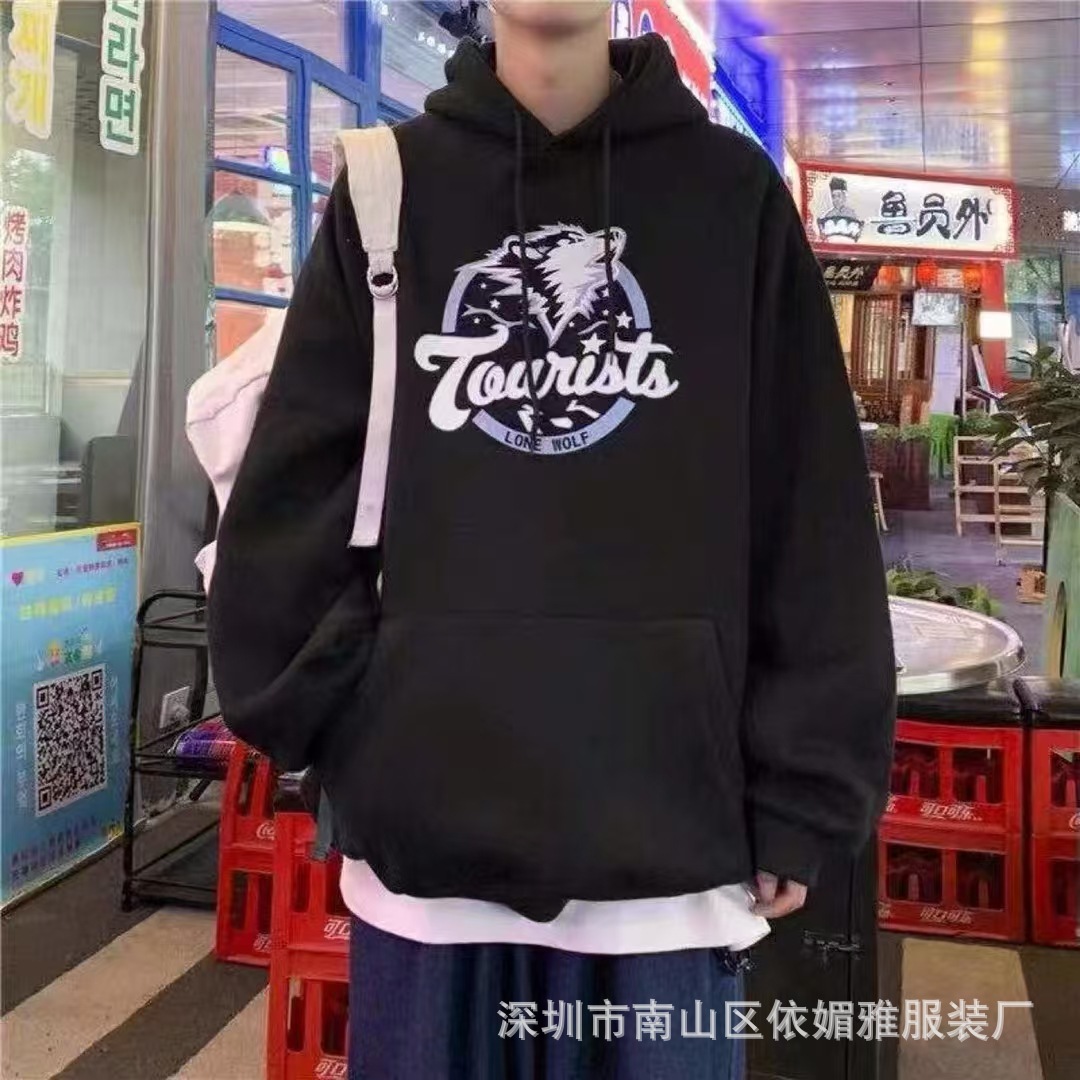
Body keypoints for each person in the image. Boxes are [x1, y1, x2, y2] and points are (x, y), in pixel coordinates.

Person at [208, 2, 896, 1077]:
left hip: (672, 870)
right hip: (427, 865)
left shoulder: (732, 197)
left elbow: (810, 517)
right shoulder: (388, 188)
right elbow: (293, 499)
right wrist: (357, 718)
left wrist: (806, 792)